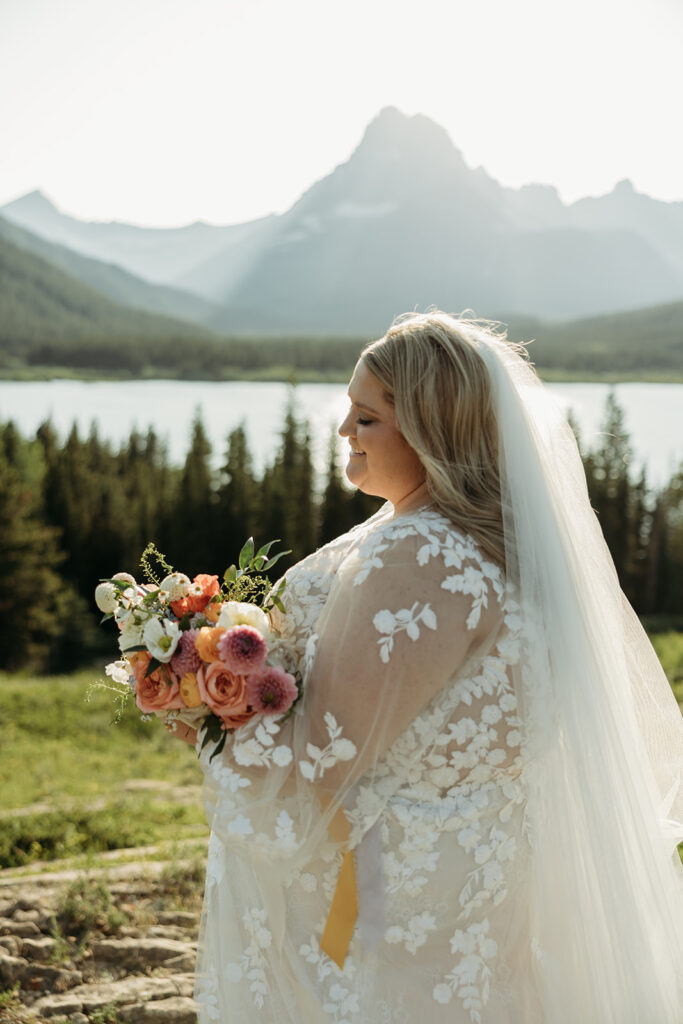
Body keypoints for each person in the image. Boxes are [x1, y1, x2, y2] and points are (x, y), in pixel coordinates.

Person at [175, 312, 683, 1023]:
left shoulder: (417, 554)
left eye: (367, 417)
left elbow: (325, 758)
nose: (343, 431)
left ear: (430, 431)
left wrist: (200, 707)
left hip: (388, 893)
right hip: (462, 881)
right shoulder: (491, 543)